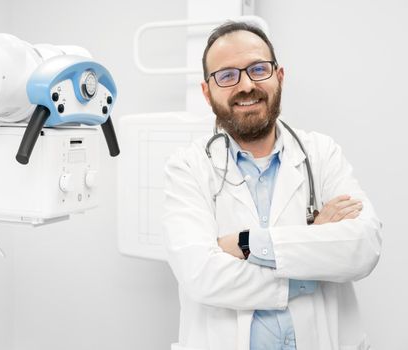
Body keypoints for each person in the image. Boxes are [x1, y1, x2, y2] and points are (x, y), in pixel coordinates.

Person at [162, 20, 382, 350]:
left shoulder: (321, 153)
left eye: (258, 69)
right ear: (207, 92)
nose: (246, 85)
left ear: (279, 77)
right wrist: (311, 255)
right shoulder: (188, 169)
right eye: (227, 76)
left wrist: (247, 244)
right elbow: (201, 275)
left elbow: (363, 247)